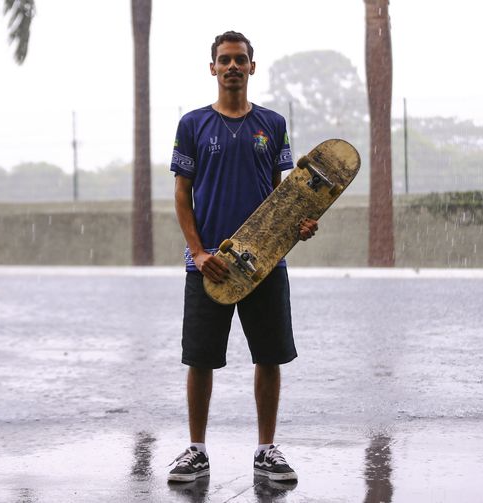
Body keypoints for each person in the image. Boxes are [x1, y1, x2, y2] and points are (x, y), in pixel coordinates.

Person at [167, 31, 318, 484]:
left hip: (266, 262)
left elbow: (283, 196)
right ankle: (196, 451)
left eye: (240, 60)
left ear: (253, 67)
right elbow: (181, 195)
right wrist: (197, 250)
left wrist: (299, 227)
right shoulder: (192, 125)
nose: (232, 66)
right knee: (200, 359)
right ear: (212, 68)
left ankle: (266, 450)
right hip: (208, 264)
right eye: (224, 60)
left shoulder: (272, 124)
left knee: (268, 357)